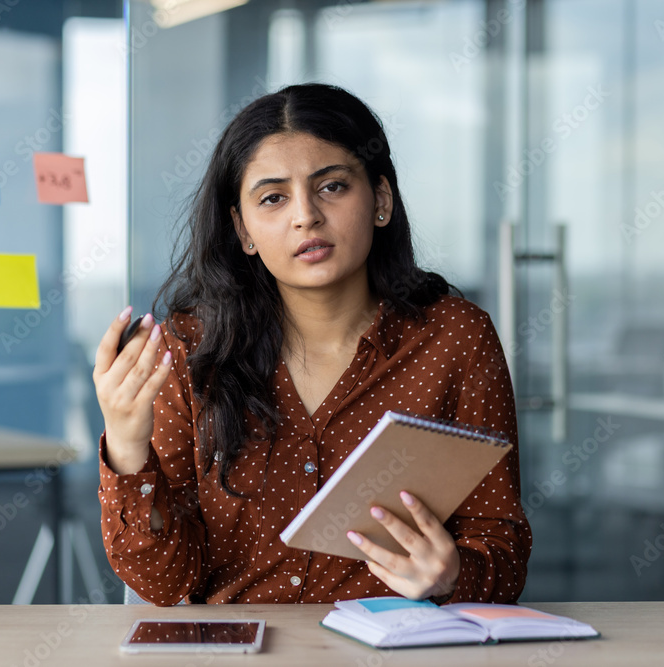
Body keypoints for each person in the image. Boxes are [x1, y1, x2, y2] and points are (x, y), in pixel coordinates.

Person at [93, 82, 531, 606]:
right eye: (273, 198)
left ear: (381, 200)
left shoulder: (455, 339)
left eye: (332, 187)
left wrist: (453, 575)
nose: (305, 215)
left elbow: (502, 547)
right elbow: (166, 585)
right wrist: (124, 444)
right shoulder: (190, 349)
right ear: (243, 230)